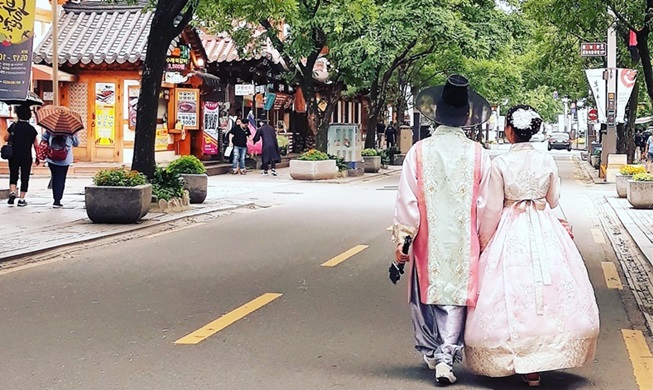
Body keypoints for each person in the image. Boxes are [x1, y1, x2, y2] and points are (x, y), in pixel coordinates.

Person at [464, 105, 600, 387]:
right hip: (543, 225)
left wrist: (484, 241)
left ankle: (519, 358)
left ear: (509, 132)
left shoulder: (500, 164)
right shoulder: (546, 161)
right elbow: (553, 199)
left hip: (510, 228)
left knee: (510, 289)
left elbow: (490, 208)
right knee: (548, 288)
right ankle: (543, 356)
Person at [392, 74, 493, 386]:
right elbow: (485, 204)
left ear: (436, 112)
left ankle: (433, 351)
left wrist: (403, 242)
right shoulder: (479, 154)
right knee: (456, 295)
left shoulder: (419, 152)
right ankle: (447, 357)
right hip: (465, 240)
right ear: (467, 116)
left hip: (427, 239)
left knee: (427, 292)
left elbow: (407, 200)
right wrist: (483, 238)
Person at [3, 105, 40, 207]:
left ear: (18, 114)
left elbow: (6, 138)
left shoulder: (13, 126)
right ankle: (22, 199)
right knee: (25, 176)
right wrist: (37, 156)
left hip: (13, 154)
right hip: (26, 156)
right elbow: (36, 144)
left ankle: (13, 192)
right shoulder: (31, 129)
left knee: (13, 174)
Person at [41, 129, 79, 208]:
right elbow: (76, 144)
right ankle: (57, 200)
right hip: (64, 159)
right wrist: (74, 135)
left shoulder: (51, 128)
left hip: (52, 157)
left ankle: (55, 198)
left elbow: (44, 138)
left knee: (54, 177)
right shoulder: (71, 130)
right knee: (61, 179)